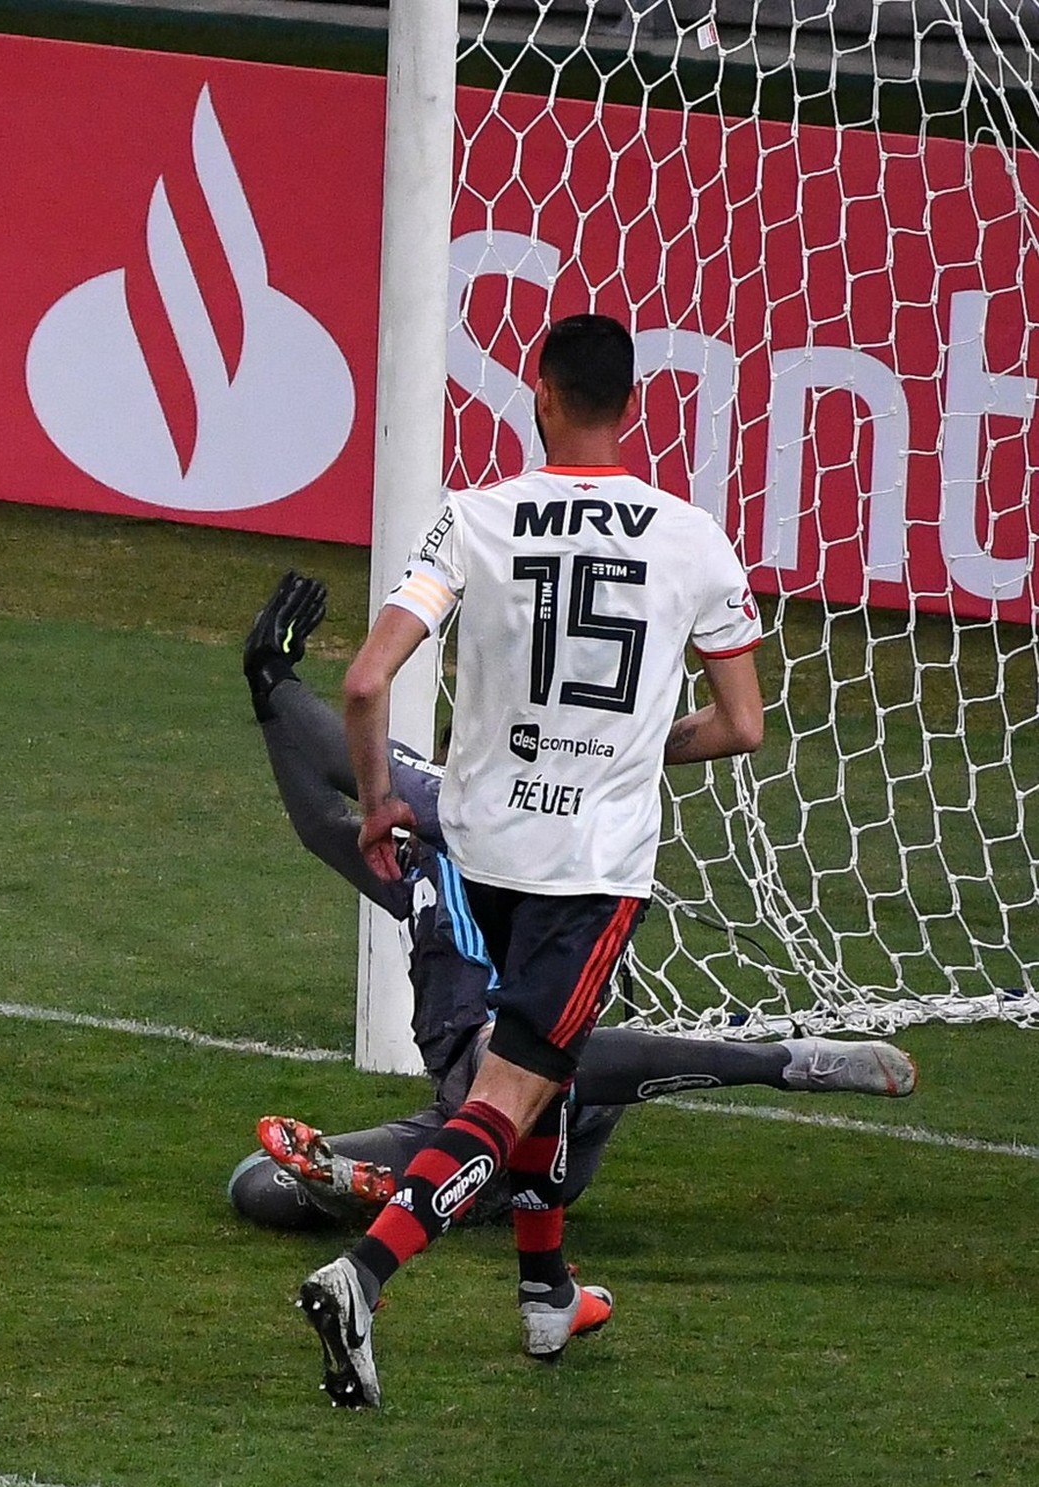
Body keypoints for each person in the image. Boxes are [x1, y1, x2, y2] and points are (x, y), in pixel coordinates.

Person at [298, 313, 772, 1409]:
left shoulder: (474, 517)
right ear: (635, 409)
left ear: (539, 395)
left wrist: (379, 803)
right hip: (588, 864)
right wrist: (639, 746)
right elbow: (741, 725)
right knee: (508, 1091)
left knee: (544, 1063)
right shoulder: (693, 537)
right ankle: (361, 1275)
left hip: (479, 846)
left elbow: (367, 683)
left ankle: (546, 1292)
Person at [226, 570, 915, 1237]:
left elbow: (349, 759)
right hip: (470, 1111)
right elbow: (321, 824)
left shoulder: (476, 802)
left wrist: (274, 682)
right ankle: (441, 1194)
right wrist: (265, 700)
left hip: (528, 1077)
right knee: (256, 1183)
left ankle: (789, 1063)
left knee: (535, 1053)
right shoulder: (417, 861)